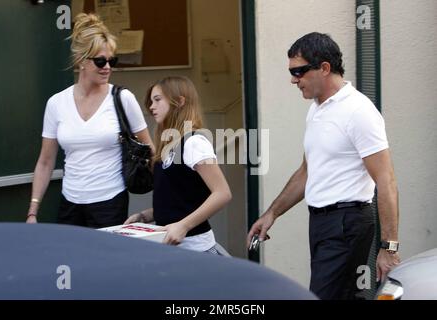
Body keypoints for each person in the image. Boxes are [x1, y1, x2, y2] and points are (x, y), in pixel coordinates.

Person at [247, 32, 400, 300]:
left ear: (325, 68)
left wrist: (388, 247)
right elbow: (307, 172)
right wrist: (272, 214)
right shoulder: (317, 108)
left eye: (299, 71)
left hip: (347, 222)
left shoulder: (359, 111)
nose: (294, 80)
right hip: (321, 221)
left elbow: (386, 180)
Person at [26, 13, 153, 228]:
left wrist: (164, 199)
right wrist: (32, 211)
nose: (107, 67)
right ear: (81, 61)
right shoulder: (57, 103)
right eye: (100, 61)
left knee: (106, 261)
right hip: (70, 202)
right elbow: (45, 161)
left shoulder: (123, 99)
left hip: (110, 201)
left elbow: (150, 149)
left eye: (112, 61)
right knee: (69, 260)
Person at [125, 76, 232, 254]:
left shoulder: (194, 142)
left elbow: (222, 193)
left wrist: (183, 226)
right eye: (151, 101)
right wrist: (145, 216)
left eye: (157, 100)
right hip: (172, 250)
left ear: (180, 101)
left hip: (197, 251)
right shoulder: (169, 146)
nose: (151, 107)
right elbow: (180, 200)